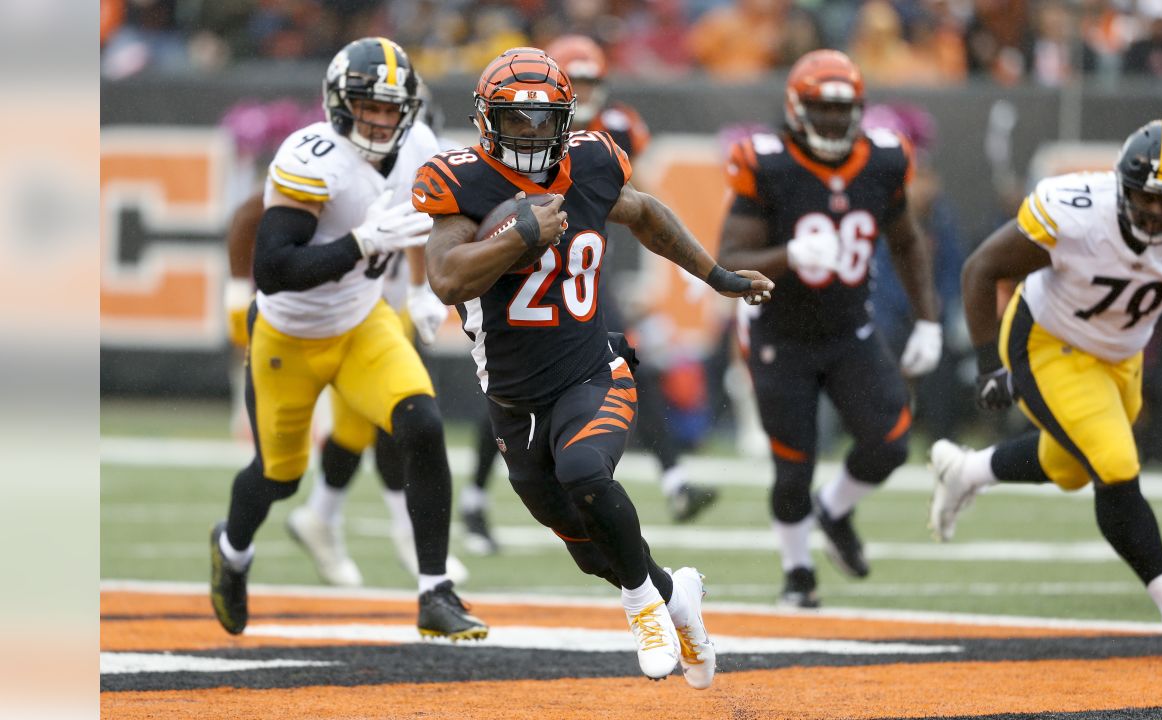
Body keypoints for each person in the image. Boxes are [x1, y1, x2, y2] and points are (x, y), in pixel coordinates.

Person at [414, 47, 773, 684]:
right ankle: (676, 593)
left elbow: (645, 214)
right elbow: (444, 278)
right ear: (485, 120)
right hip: (512, 399)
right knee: (585, 543)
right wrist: (518, 236)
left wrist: (715, 276)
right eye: (515, 119)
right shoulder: (462, 180)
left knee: (584, 469)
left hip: (591, 370)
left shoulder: (592, 160)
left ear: (566, 117)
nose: (530, 133)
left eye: (543, 118)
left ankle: (644, 609)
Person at [209, 37, 487, 642]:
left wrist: (421, 288)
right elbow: (273, 268)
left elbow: (424, 220)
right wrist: (359, 244)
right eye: (369, 106)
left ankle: (434, 590)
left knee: (422, 423)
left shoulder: (418, 145)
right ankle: (231, 549)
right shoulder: (313, 158)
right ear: (339, 104)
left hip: (363, 322)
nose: (382, 120)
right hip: (291, 334)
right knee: (279, 476)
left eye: (392, 108)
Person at [458, 35, 713, 556]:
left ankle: (673, 478)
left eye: (595, 80)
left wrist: (690, 270)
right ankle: (476, 496)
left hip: (581, 275)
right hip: (519, 279)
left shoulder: (611, 135)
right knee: (512, 392)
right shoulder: (487, 157)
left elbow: (634, 205)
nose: (592, 90)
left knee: (628, 364)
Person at [928, 120, 1162, 639]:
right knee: (1113, 463)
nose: (1156, 212)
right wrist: (987, 366)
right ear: (1121, 187)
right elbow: (981, 269)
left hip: (1121, 354)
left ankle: (967, 471)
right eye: (1145, 197)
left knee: (1070, 466)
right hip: (1048, 340)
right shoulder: (1080, 213)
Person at [717, 49, 940, 608]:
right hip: (778, 332)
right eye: (822, 109)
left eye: (844, 111)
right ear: (795, 108)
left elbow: (907, 241)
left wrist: (929, 321)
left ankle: (834, 508)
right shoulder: (768, 161)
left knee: (889, 441)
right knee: (793, 464)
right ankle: (798, 573)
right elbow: (729, 257)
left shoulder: (885, 160)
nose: (834, 122)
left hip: (848, 329)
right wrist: (789, 253)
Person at [224, 193, 466, 589]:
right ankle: (347, 522)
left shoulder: (429, 151)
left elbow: (422, 228)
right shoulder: (330, 163)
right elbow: (251, 214)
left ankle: (330, 519)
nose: (386, 127)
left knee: (399, 419)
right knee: (332, 445)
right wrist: (235, 292)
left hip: (388, 309)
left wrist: (422, 287)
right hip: (333, 312)